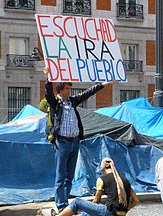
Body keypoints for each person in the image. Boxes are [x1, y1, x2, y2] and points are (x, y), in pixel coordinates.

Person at [44, 67, 118, 215]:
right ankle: (61, 206)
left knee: (69, 176)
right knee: (60, 176)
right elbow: (48, 93)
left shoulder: (72, 102)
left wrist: (103, 84)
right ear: (60, 90)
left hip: (74, 142)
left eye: (70, 88)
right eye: (67, 88)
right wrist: (48, 77)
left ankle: (65, 204)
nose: (69, 91)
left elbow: (87, 93)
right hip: (63, 143)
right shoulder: (55, 103)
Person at [57, 158, 139, 216]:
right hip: (121, 214)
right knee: (87, 213)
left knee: (77, 202)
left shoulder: (102, 179)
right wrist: (126, 210)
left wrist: (88, 208)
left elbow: (96, 201)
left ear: (103, 169)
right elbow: (136, 200)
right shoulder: (125, 180)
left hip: (109, 213)